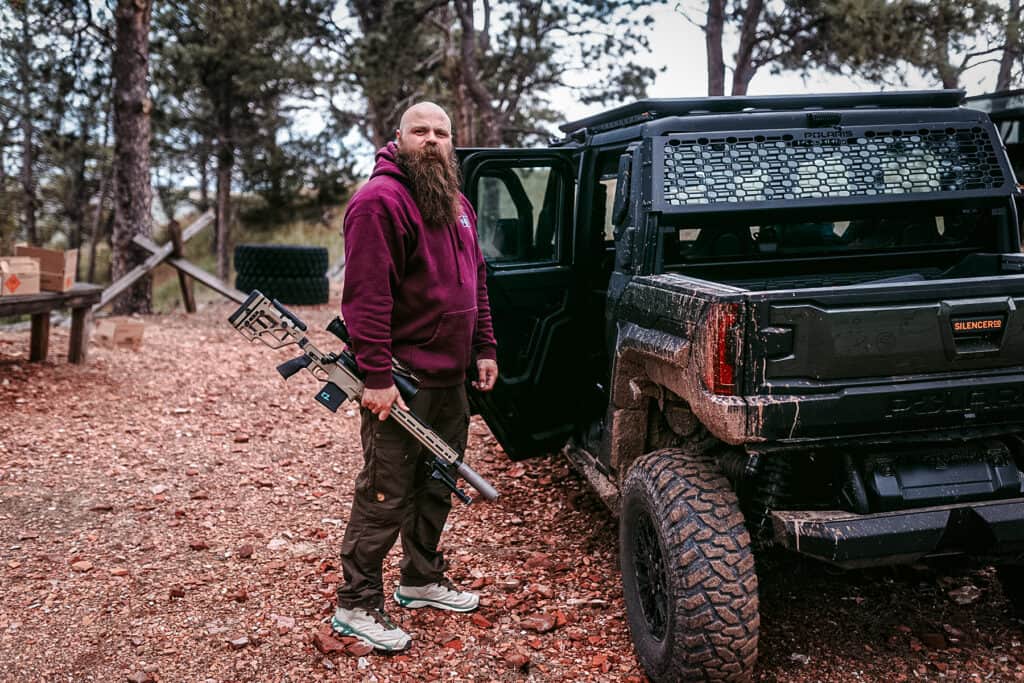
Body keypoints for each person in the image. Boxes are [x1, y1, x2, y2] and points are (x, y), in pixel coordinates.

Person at [331, 102, 499, 651]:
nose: (431, 139)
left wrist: (484, 347)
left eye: (441, 132)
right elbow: (366, 299)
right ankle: (356, 603)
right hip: (401, 382)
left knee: (437, 483)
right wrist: (376, 376)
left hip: (450, 379)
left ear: (452, 142)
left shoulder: (455, 202)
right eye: (420, 130)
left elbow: (476, 281)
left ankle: (420, 580)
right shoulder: (378, 202)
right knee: (386, 491)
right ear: (398, 138)